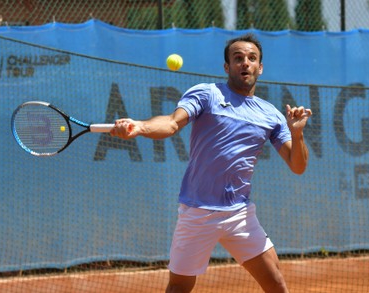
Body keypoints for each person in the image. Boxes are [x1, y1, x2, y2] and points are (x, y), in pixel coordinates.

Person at [110, 33, 312, 293]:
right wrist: (140, 126)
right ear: (227, 67)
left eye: (252, 59)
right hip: (198, 213)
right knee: (179, 288)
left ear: (260, 67)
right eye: (238, 58)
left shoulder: (270, 115)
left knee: (276, 284)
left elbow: (298, 166)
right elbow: (172, 123)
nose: (245, 63)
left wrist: (296, 133)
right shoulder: (207, 94)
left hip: (240, 214)